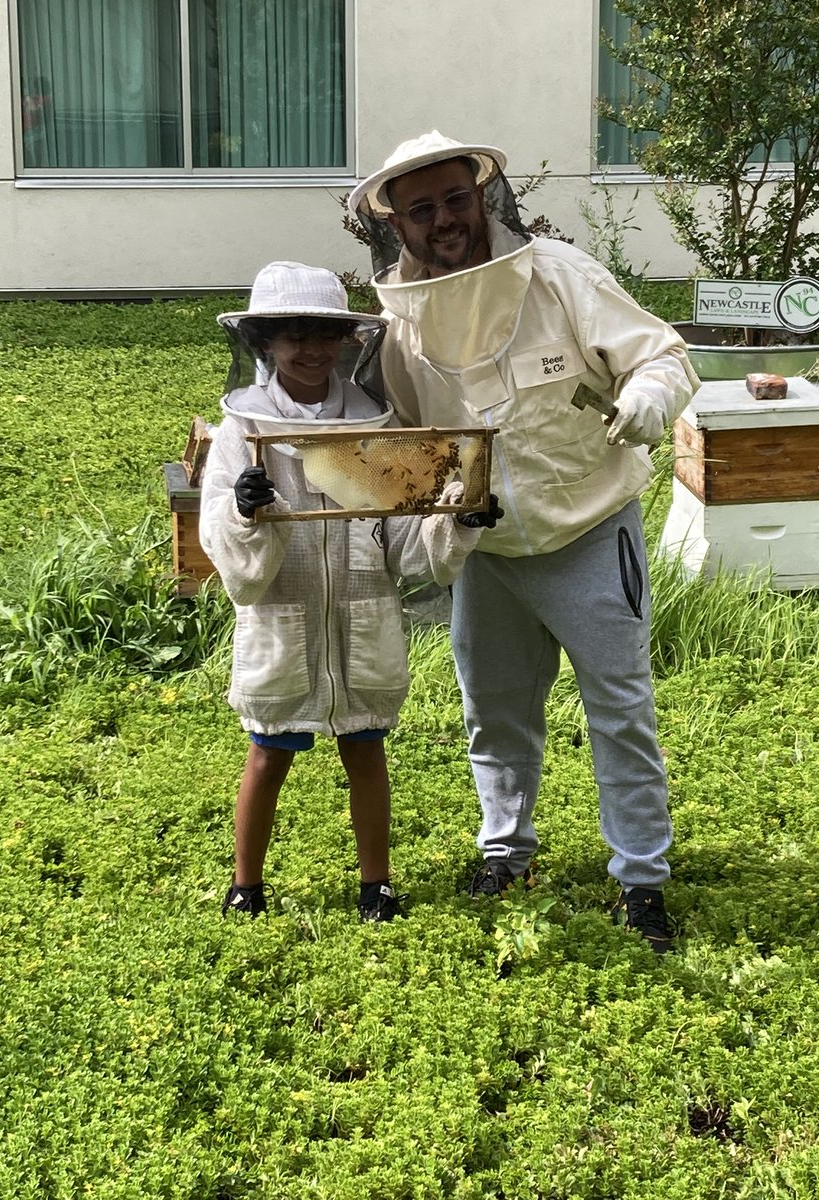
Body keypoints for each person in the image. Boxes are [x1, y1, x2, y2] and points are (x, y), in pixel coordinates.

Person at [348, 132, 700, 952]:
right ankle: (505, 853)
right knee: (495, 713)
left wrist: (647, 399)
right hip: (487, 553)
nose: (444, 220)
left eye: (455, 199)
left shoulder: (561, 275)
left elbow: (663, 356)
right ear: (396, 224)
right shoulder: (401, 327)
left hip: (589, 531)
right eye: (422, 209)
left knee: (621, 711)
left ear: (483, 196)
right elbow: (404, 441)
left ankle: (642, 881)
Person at [199, 261, 498, 923]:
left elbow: (403, 540)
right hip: (283, 622)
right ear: (263, 343)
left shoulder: (373, 425)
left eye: (323, 335)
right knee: (267, 756)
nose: (310, 349)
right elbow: (223, 542)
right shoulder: (242, 429)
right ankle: (246, 885)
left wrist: (457, 520)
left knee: (366, 753)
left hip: (364, 622)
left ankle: (376, 885)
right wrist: (243, 510)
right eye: (293, 335)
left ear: (345, 342)